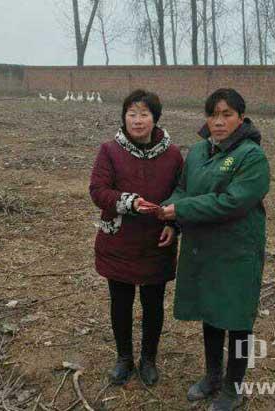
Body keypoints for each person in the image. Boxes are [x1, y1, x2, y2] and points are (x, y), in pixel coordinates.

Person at [159, 88, 270, 410]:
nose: (218, 122)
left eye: (226, 115)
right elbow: (182, 189)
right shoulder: (198, 151)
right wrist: (170, 215)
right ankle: (212, 377)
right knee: (211, 310)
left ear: (241, 117)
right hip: (203, 247)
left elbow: (232, 202)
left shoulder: (251, 156)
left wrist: (181, 210)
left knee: (237, 317)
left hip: (237, 250)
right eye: (212, 115)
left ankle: (233, 389)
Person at [89, 89, 183, 386]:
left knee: (153, 303)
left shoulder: (173, 155)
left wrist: (175, 224)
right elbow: (98, 190)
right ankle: (124, 358)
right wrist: (128, 202)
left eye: (144, 114)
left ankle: (149, 359)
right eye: (132, 114)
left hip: (157, 240)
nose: (137, 120)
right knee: (121, 302)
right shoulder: (109, 150)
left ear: (155, 119)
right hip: (119, 240)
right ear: (124, 117)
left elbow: (181, 192)